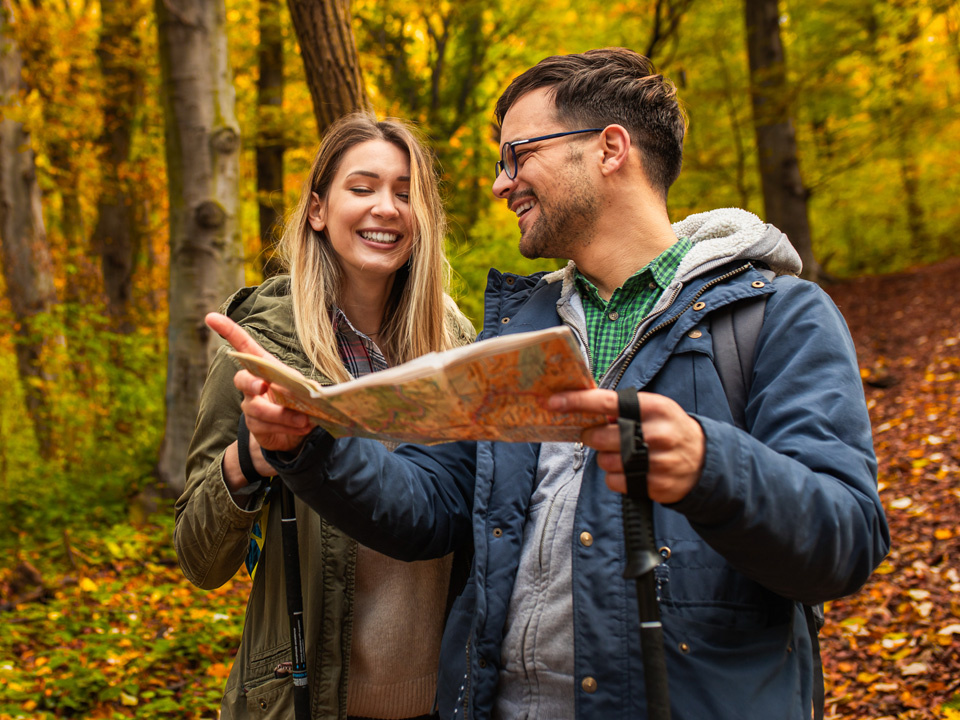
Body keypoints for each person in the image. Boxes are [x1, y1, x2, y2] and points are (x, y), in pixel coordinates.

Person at [218, 49, 890, 719]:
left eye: (518, 154)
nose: (500, 183)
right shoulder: (519, 333)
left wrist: (713, 466)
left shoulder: (777, 317)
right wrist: (307, 444)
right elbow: (427, 504)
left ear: (609, 148)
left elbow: (847, 540)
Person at [175, 112, 475, 720]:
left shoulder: (460, 343)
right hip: (306, 702)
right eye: (361, 188)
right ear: (317, 209)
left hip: (448, 702)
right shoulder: (265, 349)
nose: (386, 208)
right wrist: (250, 458)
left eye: (404, 192)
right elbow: (199, 560)